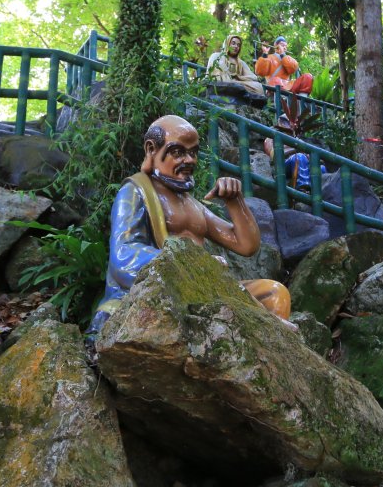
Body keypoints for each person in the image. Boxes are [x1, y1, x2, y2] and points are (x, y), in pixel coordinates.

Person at [90, 115, 290, 332]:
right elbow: (123, 255)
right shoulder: (135, 192)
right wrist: (188, 265)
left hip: (204, 287)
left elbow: (247, 245)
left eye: (193, 152)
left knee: (274, 294)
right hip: (165, 290)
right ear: (151, 150)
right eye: (178, 152)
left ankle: (269, 341)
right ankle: (269, 328)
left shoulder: (194, 205)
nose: (190, 160)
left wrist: (235, 201)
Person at [262, 115, 327, 191]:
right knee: (300, 157)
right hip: (283, 164)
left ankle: (321, 192)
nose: (291, 125)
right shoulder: (272, 138)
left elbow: (308, 154)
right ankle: (303, 185)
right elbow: (274, 156)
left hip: (302, 162)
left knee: (321, 168)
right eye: (287, 122)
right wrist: (295, 150)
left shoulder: (297, 140)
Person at [206, 34, 266, 102]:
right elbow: (213, 71)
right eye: (233, 43)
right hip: (222, 82)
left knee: (258, 86)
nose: (236, 46)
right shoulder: (217, 56)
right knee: (233, 85)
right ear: (227, 44)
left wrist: (239, 77)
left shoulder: (241, 62)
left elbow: (254, 77)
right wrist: (227, 76)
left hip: (237, 82)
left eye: (238, 45)